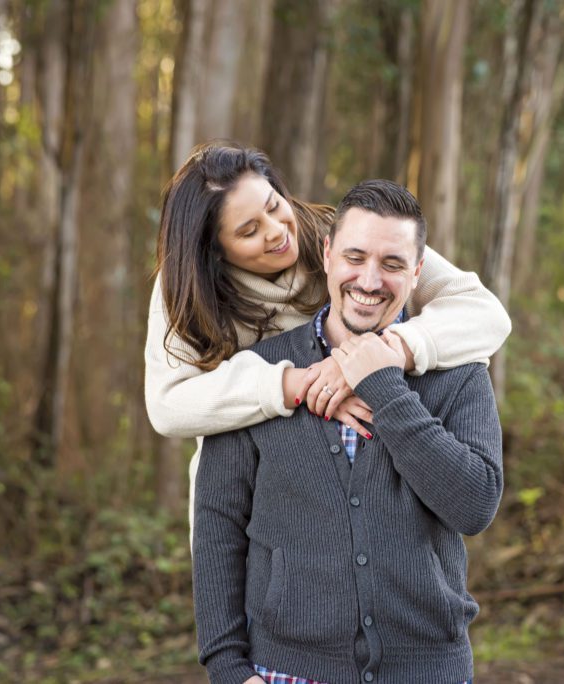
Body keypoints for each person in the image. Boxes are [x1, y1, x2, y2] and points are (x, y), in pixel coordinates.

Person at [192, 179, 503, 684]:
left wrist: (383, 383)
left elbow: (474, 506)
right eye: (355, 257)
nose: (370, 280)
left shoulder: (458, 371)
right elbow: (217, 527)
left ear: (418, 273)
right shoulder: (260, 372)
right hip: (285, 672)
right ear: (328, 254)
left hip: (429, 672)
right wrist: (227, 667)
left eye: (393, 264)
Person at [144, 142, 510, 531]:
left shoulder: (346, 239)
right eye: (249, 231)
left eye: (273, 205)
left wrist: (382, 353)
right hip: (251, 498)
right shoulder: (185, 288)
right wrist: (300, 383)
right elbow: (168, 404)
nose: (277, 232)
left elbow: (484, 312)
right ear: (214, 250)